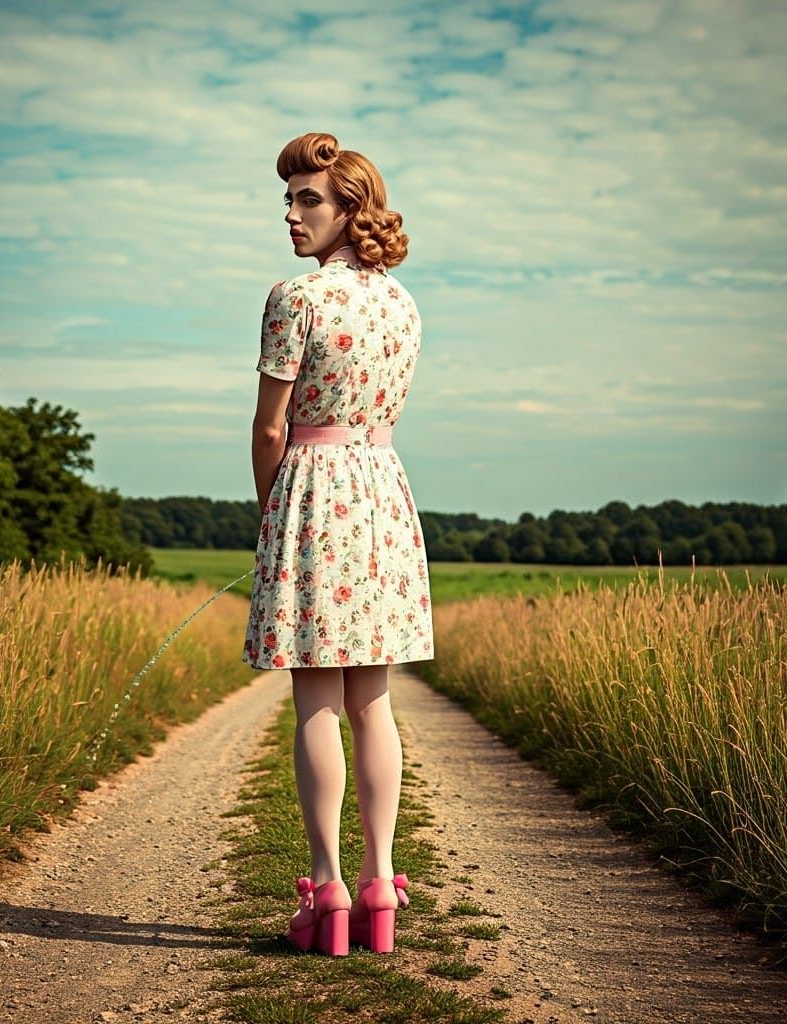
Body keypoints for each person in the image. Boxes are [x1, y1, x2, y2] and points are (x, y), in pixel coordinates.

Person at [243, 131, 434, 956]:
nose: (290, 214)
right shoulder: (404, 303)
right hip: (384, 492)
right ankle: (379, 886)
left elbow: (270, 427)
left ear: (349, 206)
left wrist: (269, 515)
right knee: (374, 701)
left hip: (314, 492)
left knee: (318, 699)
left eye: (306, 198)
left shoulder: (297, 297)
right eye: (287, 198)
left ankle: (325, 890)